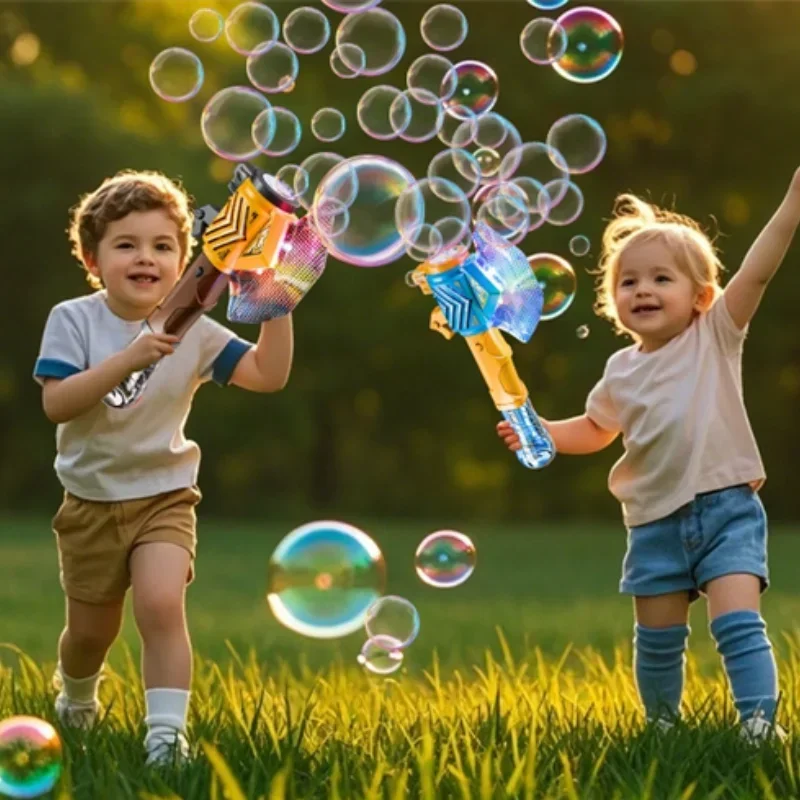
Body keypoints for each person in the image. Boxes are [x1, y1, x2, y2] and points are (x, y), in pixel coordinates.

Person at [498, 170, 800, 741]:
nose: (642, 290)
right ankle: (661, 725)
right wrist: (539, 429)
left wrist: (791, 205)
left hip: (725, 510)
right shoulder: (621, 370)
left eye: (662, 279)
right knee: (658, 641)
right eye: (628, 282)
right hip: (653, 522)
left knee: (738, 624)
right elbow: (594, 428)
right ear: (613, 302)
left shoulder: (715, 335)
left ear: (700, 298)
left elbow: (758, 274)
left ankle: (759, 723)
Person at [34, 169, 294, 764]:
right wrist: (128, 359)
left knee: (160, 605)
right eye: (126, 244)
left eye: (162, 246)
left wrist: (274, 302)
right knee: (90, 636)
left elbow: (268, 375)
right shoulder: (73, 319)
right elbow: (57, 403)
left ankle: (166, 739)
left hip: (165, 495)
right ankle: (75, 695)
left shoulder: (195, 332)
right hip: (91, 501)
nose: (145, 257)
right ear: (92, 259)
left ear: (185, 261)